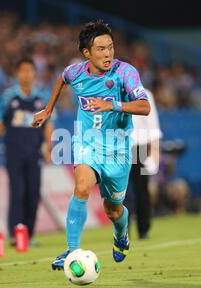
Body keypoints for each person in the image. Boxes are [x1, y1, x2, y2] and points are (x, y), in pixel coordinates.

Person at [32, 21, 151, 270]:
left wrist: (113, 105)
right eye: (101, 49)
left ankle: (121, 233)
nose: (108, 54)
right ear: (87, 53)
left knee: (113, 210)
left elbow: (144, 106)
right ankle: (72, 250)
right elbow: (61, 79)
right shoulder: (75, 72)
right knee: (83, 186)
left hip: (117, 149)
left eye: (110, 47)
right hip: (87, 142)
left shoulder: (125, 73)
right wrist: (47, 109)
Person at [0, 57, 53, 245]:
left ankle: (29, 235)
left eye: (30, 70)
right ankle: (16, 235)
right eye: (23, 70)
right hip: (14, 152)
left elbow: (49, 125)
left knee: (33, 193)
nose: (26, 74)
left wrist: (50, 147)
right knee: (17, 192)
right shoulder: (9, 96)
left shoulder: (42, 97)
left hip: (34, 153)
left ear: (35, 73)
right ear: (17, 73)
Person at [124, 88, 162, 240]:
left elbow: (152, 124)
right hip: (120, 145)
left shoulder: (145, 94)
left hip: (140, 146)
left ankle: (143, 228)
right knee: (121, 192)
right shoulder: (113, 91)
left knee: (142, 189)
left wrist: (155, 151)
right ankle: (122, 231)